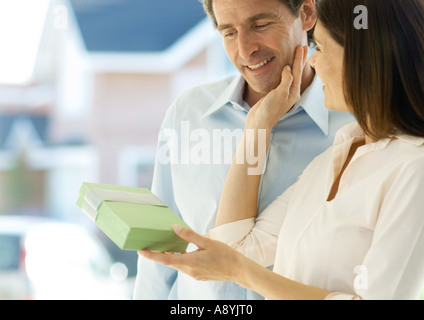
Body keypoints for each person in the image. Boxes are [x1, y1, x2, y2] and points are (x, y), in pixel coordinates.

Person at [140, 0, 424, 300]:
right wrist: (258, 127)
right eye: (229, 33)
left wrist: (243, 272)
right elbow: (232, 248)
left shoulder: (411, 166)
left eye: (261, 25)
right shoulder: (336, 156)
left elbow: (235, 263)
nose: (245, 49)